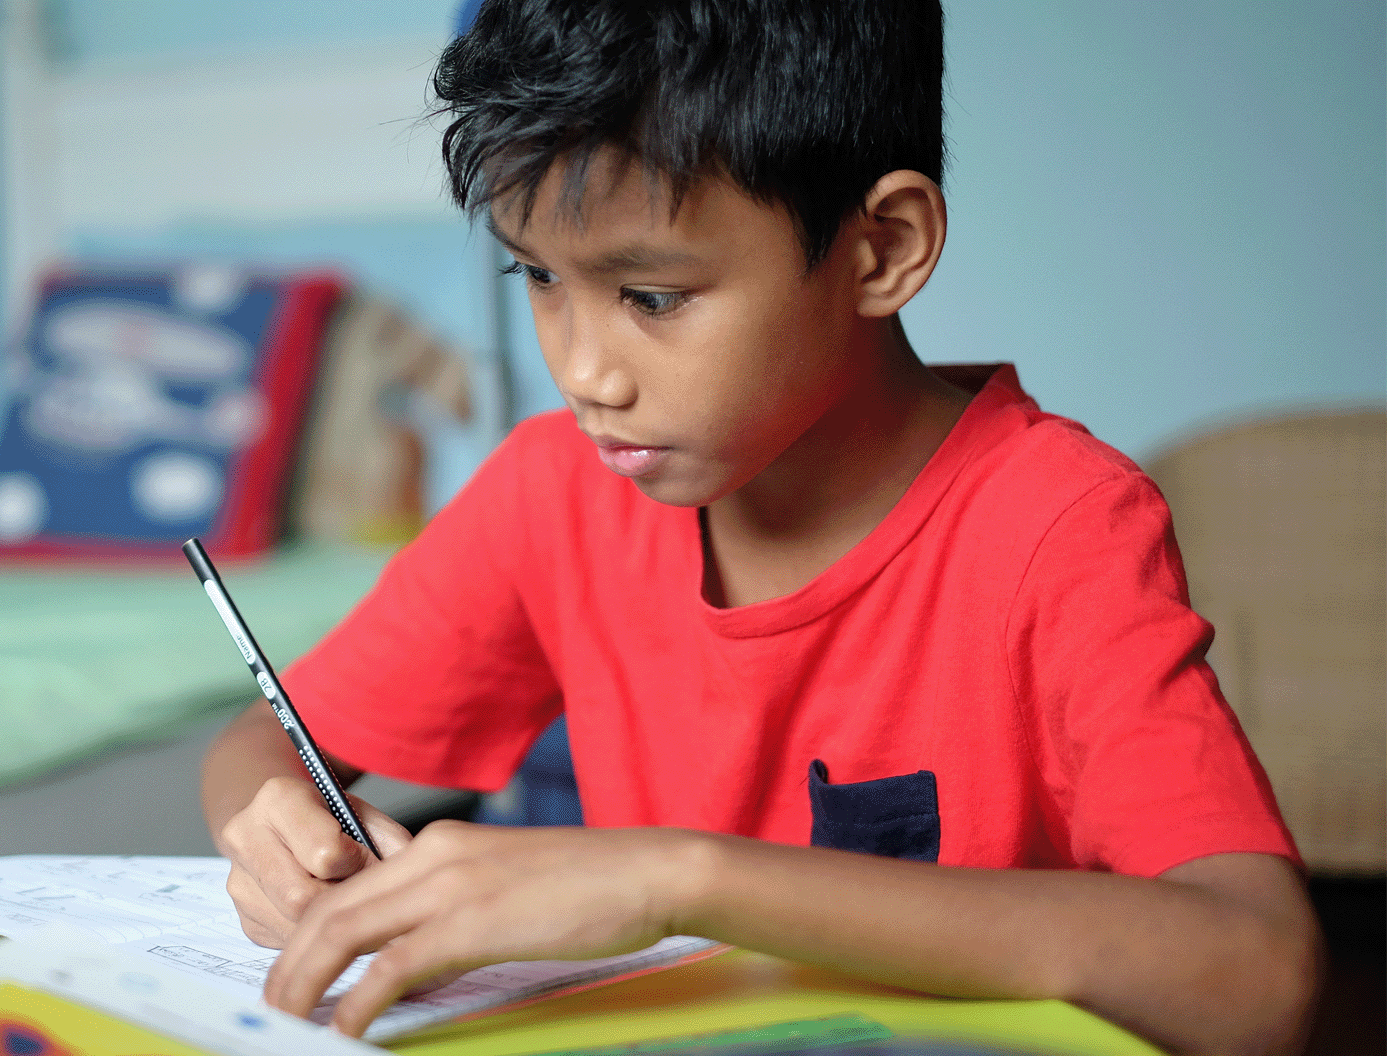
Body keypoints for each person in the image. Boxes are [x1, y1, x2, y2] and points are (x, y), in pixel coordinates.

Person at [198, 1, 1319, 1052]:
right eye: (540, 276)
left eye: (652, 297)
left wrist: (680, 877)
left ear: (881, 249)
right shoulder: (556, 493)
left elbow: (1257, 972)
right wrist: (279, 835)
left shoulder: (1054, 524)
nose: (584, 372)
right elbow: (264, 742)